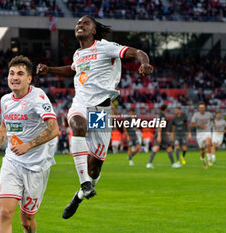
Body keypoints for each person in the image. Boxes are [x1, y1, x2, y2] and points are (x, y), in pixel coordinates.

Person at [36, 15, 153, 219]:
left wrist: (144, 63)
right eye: (78, 23)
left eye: (85, 23)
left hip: (102, 110)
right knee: (77, 125)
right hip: (81, 103)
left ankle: (79, 195)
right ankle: (84, 183)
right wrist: (50, 70)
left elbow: (136, 52)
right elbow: (72, 71)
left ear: (94, 31)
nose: (80, 25)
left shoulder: (106, 47)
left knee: (95, 167)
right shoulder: (78, 54)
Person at [0, 56, 59, 233]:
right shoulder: (5, 100)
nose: (14, 77)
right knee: (5, 212)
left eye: (20, 74)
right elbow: (5, 125)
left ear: (29, 79)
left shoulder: (38, 97)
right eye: (11, 73)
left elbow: (54, 129)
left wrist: (28, 145)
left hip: (37, 166)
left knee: (27, 221)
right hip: (12, 163)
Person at [146, 104, 180, 169]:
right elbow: (159, 125)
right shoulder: (162, 115)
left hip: (161, 133)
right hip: (161, 133)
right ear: (165, 109)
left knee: (162, 147)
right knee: (165, 147)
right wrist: (159, 135)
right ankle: (173, 164)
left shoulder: (158, 115)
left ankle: (149, 163)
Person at [190, 102, 214, 169]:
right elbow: (191, 124)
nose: (201, 109)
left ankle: (209, 159)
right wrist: (199, 125)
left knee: (208, 143)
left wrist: (212, 126)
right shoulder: (196, 115)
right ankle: (203, 161)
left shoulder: (209, 114)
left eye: (203, 107)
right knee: (202, 150)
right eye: (200, 108)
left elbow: (212, 120)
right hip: (200, 134)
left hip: (207, 132)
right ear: (198, 108)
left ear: (205, 108)